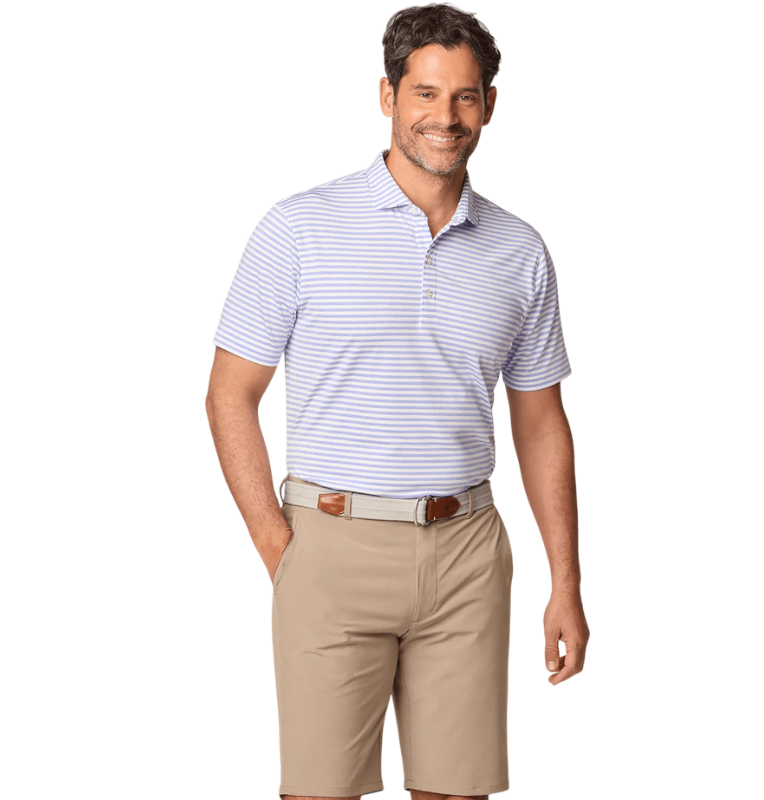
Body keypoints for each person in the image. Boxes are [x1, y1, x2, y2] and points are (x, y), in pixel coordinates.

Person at [205, 3, 588, 799]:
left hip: (469, 554)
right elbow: (229, 396)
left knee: (459, 795)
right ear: (387, 96)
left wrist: (566, 583)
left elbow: (541, 423)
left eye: (465, 96)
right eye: (425, 93)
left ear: (489, 106)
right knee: (322, 795)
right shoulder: (298, 226)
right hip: (329, 544)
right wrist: (281, 550)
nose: (445, 117)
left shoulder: (521, 251)